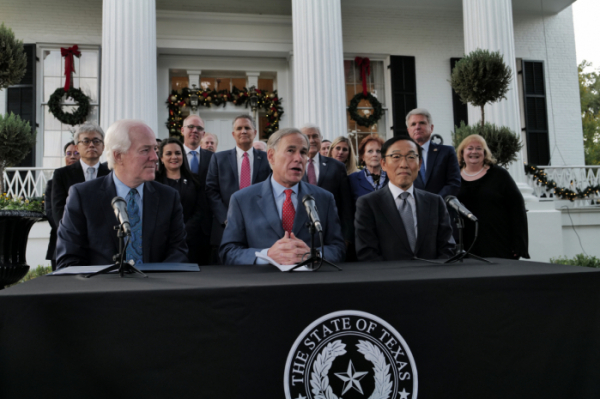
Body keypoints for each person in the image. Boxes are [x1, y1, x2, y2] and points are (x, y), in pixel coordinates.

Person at [56, 120, 188, 268]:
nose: (155, 157)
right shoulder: (82, 196)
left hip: (155, 288)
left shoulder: (168, 197)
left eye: (155, 149)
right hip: (102, 288)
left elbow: (178, 252)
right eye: (145, 150)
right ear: (118, 156)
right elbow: (69, 259)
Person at [219, 128, 345, 265]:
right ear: (271, 156)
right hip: (263, 283)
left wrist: (313, 254)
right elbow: (228, 251)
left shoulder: (324, 199)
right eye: (290, 150)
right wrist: (266, 255)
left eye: (303, 152)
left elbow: (337, 249)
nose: (298, 158)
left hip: (309, 282)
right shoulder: (242, 200)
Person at [355, 136, 455, 261]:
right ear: (383, 164)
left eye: (411, 157)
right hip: (389, 277)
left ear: (419, 164)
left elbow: (447, 247)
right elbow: (367, 252)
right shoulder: (368, 204)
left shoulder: (435, 202)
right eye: (396, 157)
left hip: (431, 276)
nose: (404, 164)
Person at [456, 134, 529, 259]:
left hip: (497, 240)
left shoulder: (499, 175)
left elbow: (517, 209)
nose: (474, 152)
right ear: (462, 153)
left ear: (485, 153)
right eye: (470, 148)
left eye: (479, 148)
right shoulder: (454, 175)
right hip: (464, 243)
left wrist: (519, 243)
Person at [206, 114, 271, 254]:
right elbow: (211, 190)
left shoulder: (267, 160)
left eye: (247, 128)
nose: (243, 131)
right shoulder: (218, 159)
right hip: (225, 226)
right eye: (239, 128)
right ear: (233, 134)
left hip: (260, 226)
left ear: (255, 132)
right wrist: (226, 218)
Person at [156, 138, 211, 265]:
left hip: (192, 242)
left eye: (178, 153)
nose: (174, 157)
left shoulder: (195, 181)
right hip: (163, 242)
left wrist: (184, 231)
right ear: (161, 158)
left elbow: (200, 210)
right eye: (168, 154)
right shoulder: (154, 183)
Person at [300, 124, 354, 248]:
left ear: (321, 138)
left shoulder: (337, 166)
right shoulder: (293, 165)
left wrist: (347, 237)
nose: (312, 140)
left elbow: (346, 205)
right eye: (307, 136)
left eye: (315, 136)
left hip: (331, 232)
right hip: (300, 232)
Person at [52, 123, 110, 225]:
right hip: (73, 235)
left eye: (96, 141)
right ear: (77, 147)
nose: (91, 145)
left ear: (103, 146)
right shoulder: (62, 175)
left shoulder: (111, 174)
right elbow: (58, 211)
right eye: (86, 141)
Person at [406, 108, 460, 199]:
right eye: (413, 124)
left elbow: (453, 183)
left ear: (431, 128)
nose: (417, 127)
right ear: (408, 131)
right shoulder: (403, 156)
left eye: (422, 123)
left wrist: (434, 202)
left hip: (440, 208)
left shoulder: (447, 152)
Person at [45, 141, 80, 270]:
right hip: (60, 244)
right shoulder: (53, 182)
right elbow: (51, 213)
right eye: (68, 153)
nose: (72, 157)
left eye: (76, 153)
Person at [348, 134, 388, 203]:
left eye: (378, 151)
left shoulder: (392, 178)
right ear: (363, 156)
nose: (374, 154)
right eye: (370, 151)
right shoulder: (352, 179)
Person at [181, 114, 214, 184]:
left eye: (199, 128)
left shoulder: (212, 157)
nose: (195, 130)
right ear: (182, 130)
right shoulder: (175, 156)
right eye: (191, 127)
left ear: (203, 134)